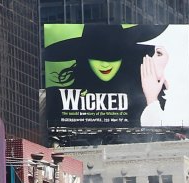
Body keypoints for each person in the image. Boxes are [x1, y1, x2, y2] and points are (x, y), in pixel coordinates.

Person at [43, 24, 173, 128]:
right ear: (84, 58)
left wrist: (151, 98)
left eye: (112, 56)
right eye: (97, 56)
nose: (105, 64)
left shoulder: (145, 96)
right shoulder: (57, 97)